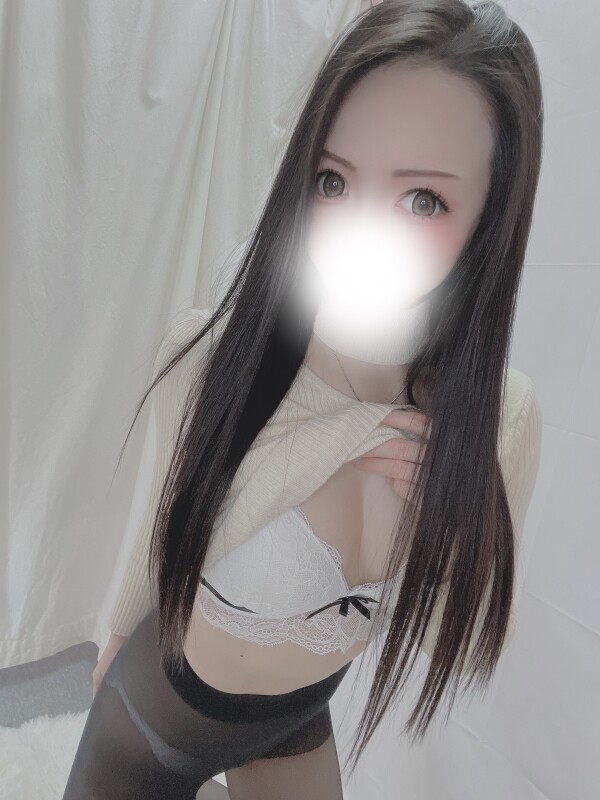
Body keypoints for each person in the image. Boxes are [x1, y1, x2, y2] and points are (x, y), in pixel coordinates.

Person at [62, 1, 544, 798]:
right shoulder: (214, 358)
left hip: (294, 720)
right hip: (155, 715)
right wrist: (115, 635)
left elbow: (466, 645)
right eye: (333, 180)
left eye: (422, 199)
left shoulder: (502, 419)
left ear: (491, 215)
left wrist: (453, 533)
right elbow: (160, 525)